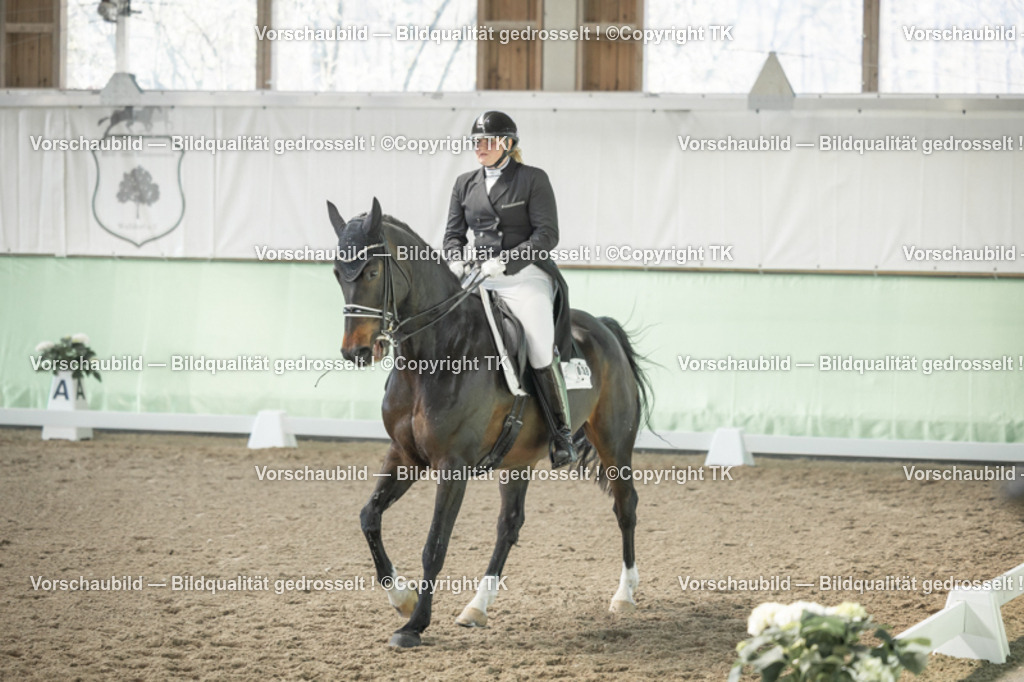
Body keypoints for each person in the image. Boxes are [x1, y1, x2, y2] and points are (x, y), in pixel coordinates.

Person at [443, 111, 577, 468]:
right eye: (476, 142)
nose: (479, 148)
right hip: (477, 275)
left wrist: (506, 261)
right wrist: (455, 259)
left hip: (524, 274)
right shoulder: (464, 183)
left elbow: (546, 235)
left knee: (537, 347)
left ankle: (561, 433)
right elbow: (452, 235)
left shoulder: (532, 179)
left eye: (486, 142)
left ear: (507, 144)